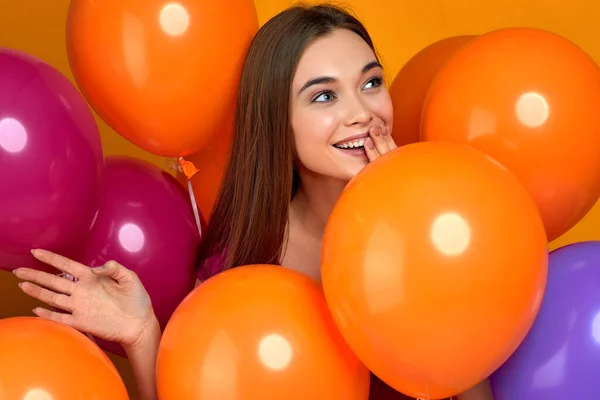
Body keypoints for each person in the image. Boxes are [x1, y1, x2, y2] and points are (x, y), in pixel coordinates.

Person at [12, 3, 494, 400]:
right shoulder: (242, 258)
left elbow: (471, 386)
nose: (362, 114)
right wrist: (143, 335)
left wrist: (412, 226)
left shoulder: (435, 229)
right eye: (324, 97)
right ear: (277, 120)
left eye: (370, 83)